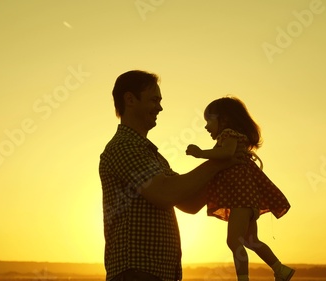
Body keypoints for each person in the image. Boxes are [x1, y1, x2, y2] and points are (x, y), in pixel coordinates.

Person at [99, 70, 238, 281]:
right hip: (136, 273)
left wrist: (230, 169)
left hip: (154, 274)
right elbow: (164, 193)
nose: (160, 107)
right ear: (130, 99)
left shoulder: (154, 156)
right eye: (154, 100)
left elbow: (189, 203)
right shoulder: (123, 146)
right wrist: (217, 163)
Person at [186, 96, 295, 281]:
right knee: (251, 241)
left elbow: (225, 153)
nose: (206, 126)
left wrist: (200, 153)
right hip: (249, 199)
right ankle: (280, 269)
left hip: (241, 199)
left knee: (233, 240)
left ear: (224, 119)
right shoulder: (236, 138)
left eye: (208, 121)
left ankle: (243, 279)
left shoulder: (228, 135)